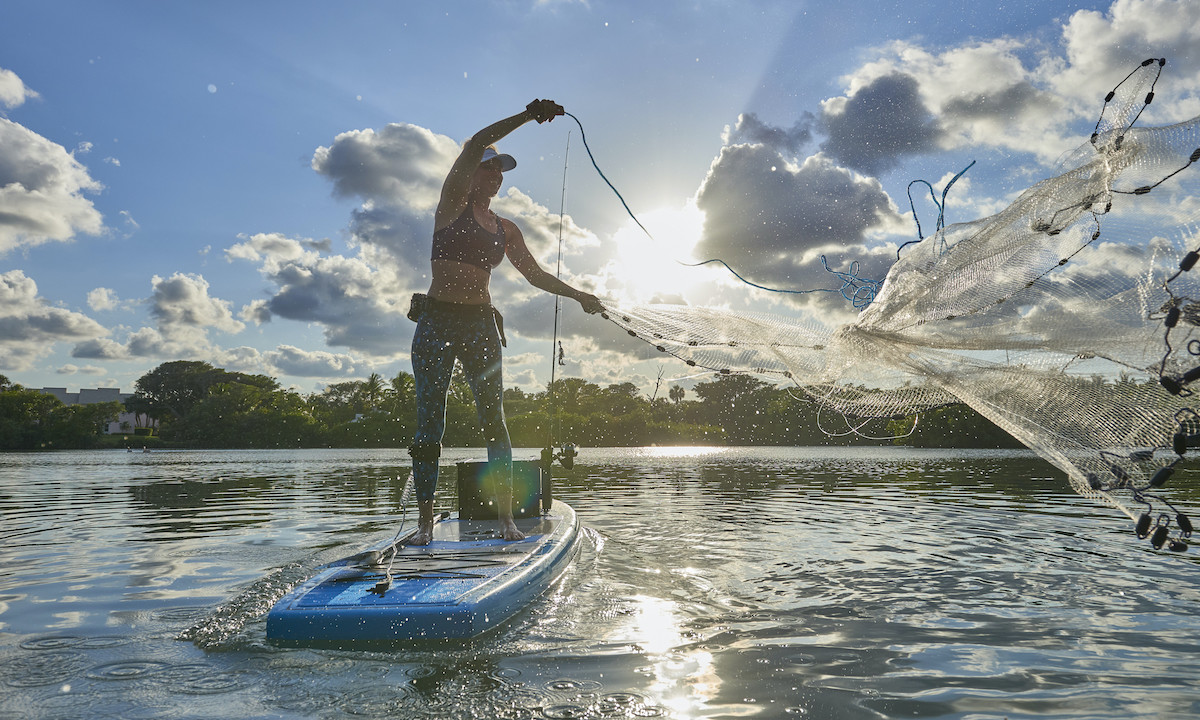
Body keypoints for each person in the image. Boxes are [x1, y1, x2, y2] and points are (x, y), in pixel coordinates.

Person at [407, 99, 604, 545]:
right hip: (437, 321)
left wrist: (579, 295)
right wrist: (528, 116)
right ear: (471, 172)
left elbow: (534, 275)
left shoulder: (505, 228)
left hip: (479, 323)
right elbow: (477, 141)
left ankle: (506, 521)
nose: (494, 177)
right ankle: (423, 525)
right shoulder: (451, 203)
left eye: (500, 172)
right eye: (488, 169)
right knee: (429, 424)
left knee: (493, 418)